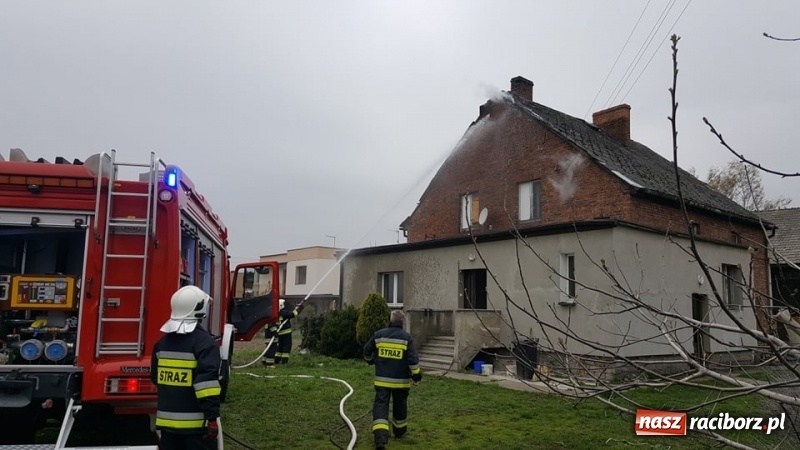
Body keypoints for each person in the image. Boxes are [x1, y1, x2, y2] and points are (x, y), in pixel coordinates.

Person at [151, 285, 222, 450]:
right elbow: (207, 386)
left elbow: (155, 377)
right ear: (199, 309)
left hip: (167, 427)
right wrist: (212, 418)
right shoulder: (205, 343)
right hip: (196, 429)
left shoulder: (161, 343)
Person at [363, 310, 422, 450]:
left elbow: (366, 351)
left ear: (390, 320)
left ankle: (380, 439)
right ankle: (399, 431)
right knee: (400, 405)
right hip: (401, 382)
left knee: (381, 406)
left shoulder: (379, 335)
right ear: (403, 322)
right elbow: (413, 361)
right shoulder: (407, 338)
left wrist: (370, 361)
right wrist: (417, 377)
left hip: (382, 381)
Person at [274, 298, 304, 364]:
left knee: (280, 346)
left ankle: (277, 360)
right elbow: (293, 314)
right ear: (281, 305)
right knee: (287, 346)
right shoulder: (284, 312)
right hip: (286, 332)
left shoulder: (277, 314)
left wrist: (297, 309)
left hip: (280, 333)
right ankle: (284, 361)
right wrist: (299, 309)